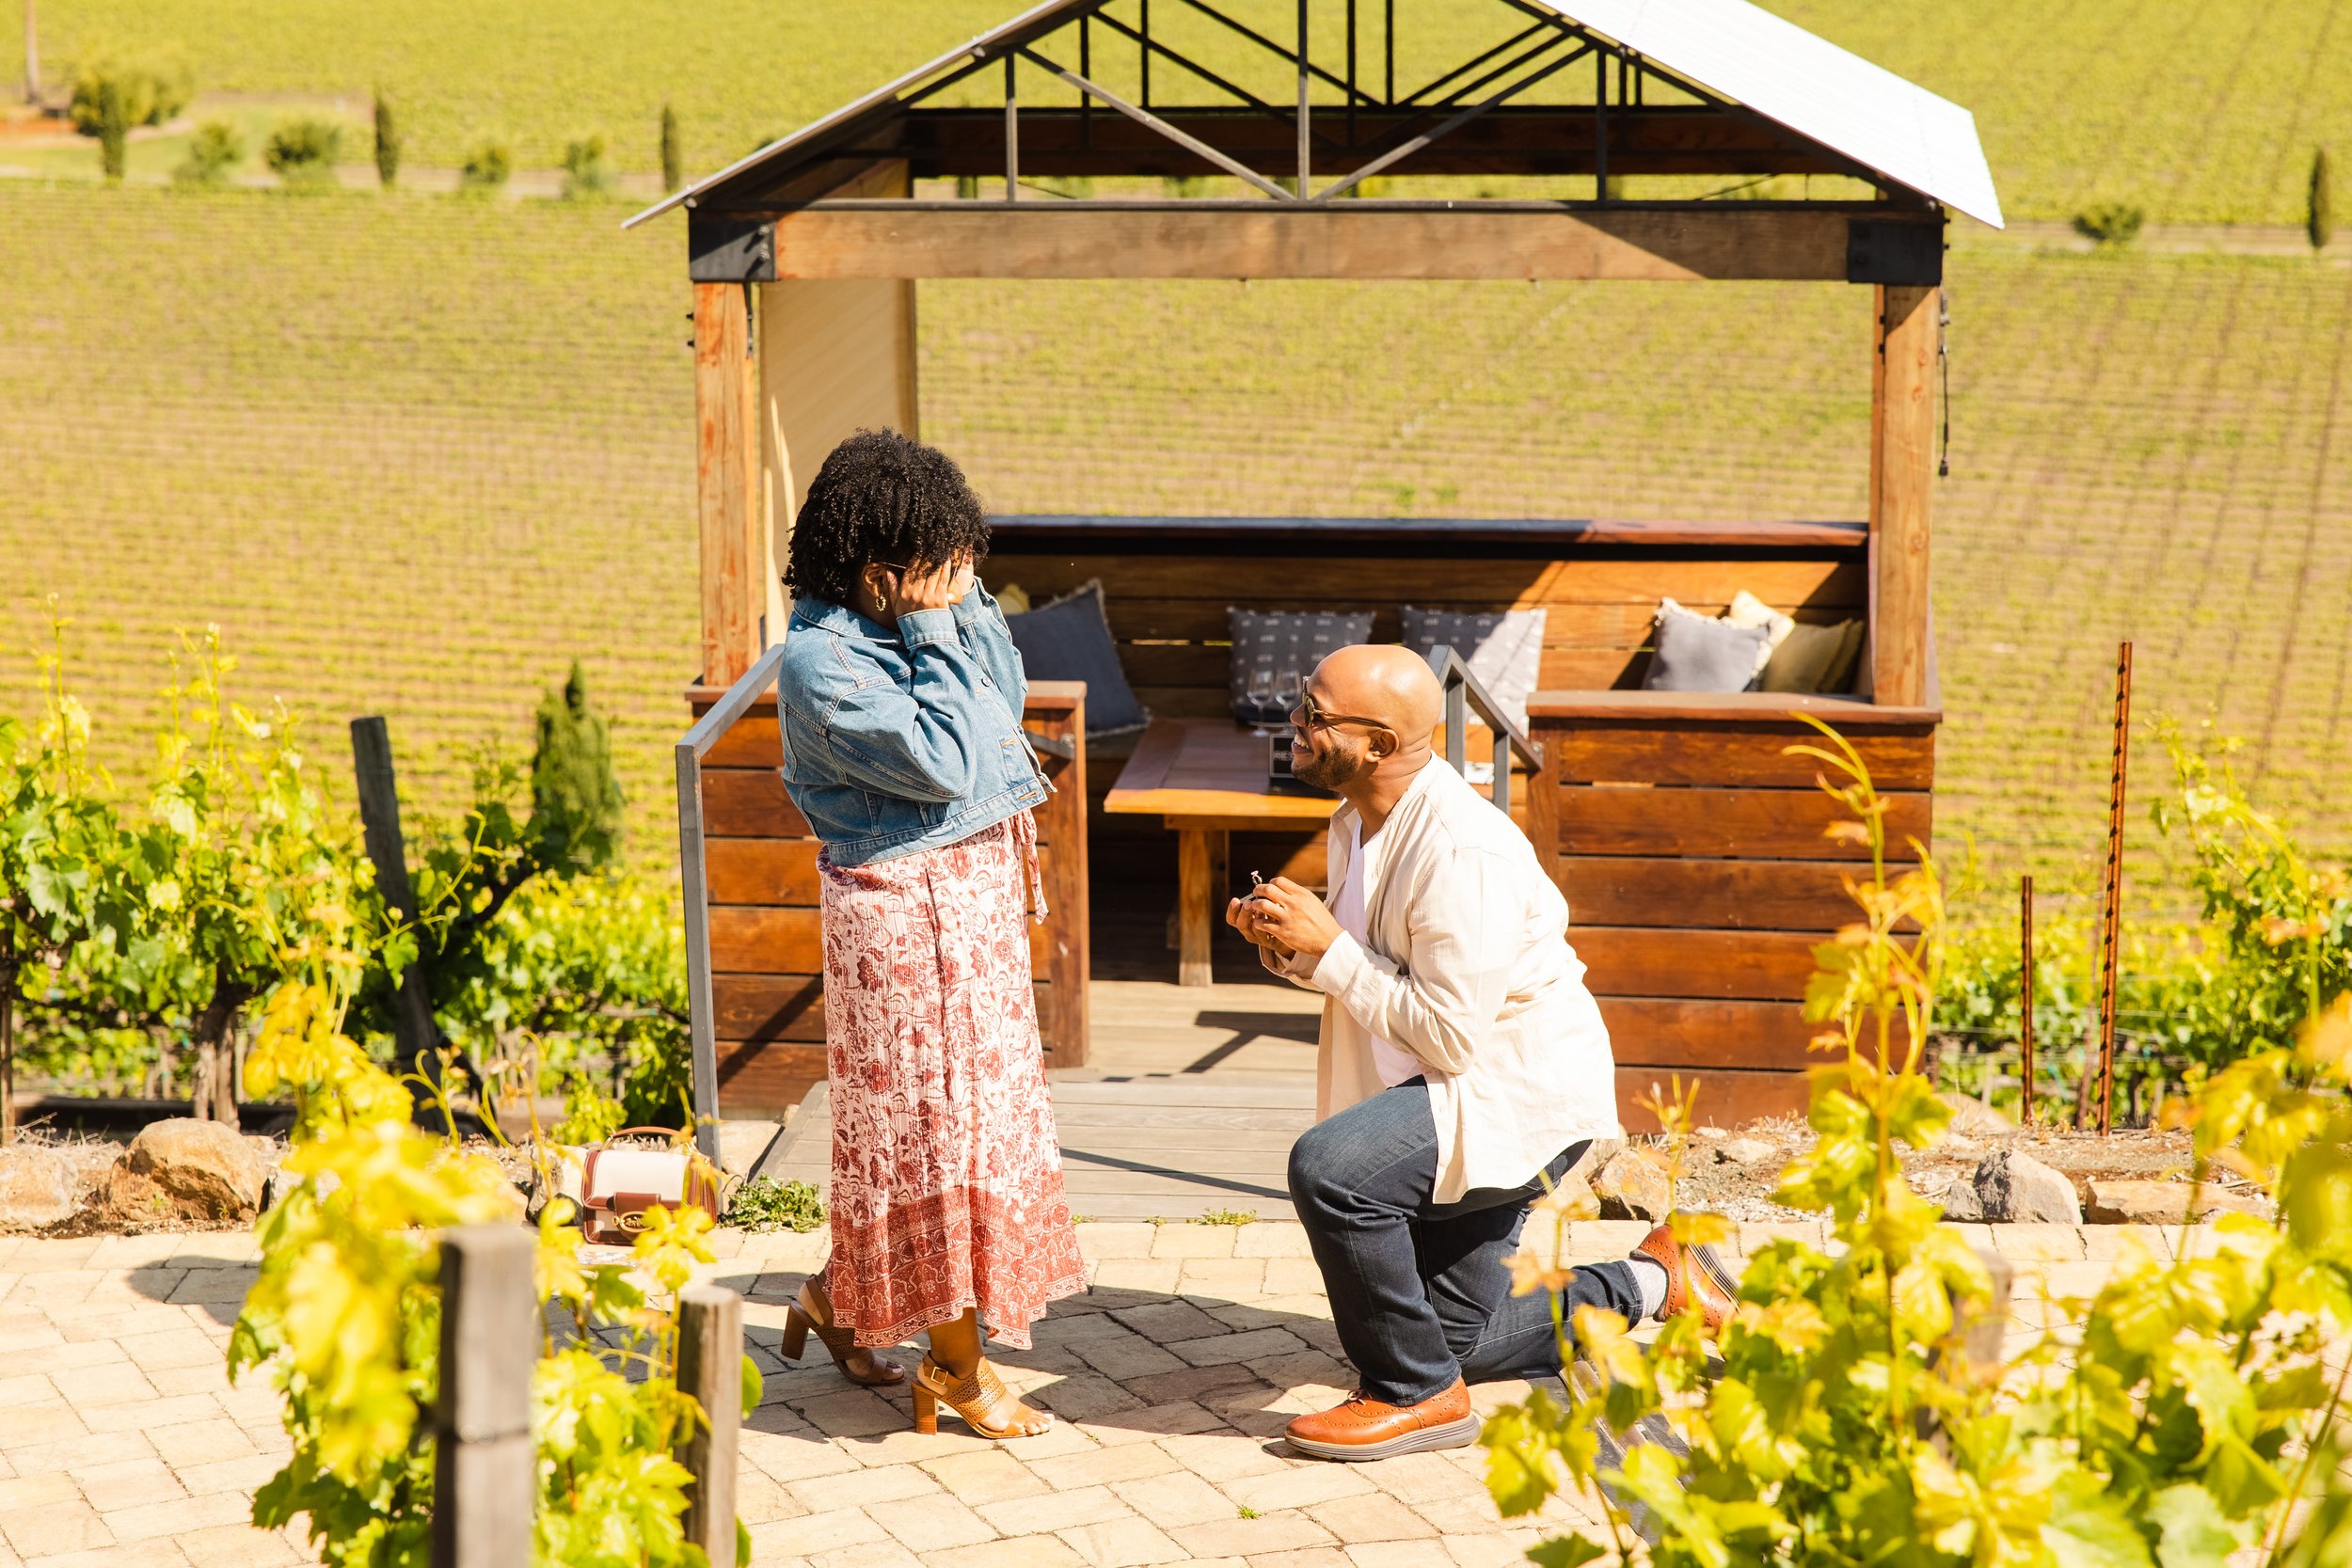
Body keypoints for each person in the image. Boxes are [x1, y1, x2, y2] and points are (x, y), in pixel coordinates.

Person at [1230, 645, 1737, 1463]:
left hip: (1508, 1096)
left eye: (1314, 716)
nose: (1294, 724)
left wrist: (1331, 952)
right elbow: (1371, 964)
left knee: (1332, 1170)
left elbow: (1449, 1033)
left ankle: (1413, 1395)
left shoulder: (1463, 852)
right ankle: (1659, 1278)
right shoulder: (1358, 817)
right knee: (1449, 1338)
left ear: (1381, 746)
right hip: (1441, 1081)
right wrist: (1292, 945)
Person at [771, 428, 1084, 1441]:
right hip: (906, 924)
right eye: (941, 565)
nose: (961, 584)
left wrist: (959, 613)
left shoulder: (919, 615)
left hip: (971, 911)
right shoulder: (821, 665)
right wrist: (937, 628)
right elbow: (951, 757)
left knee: (962, 1131)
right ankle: (954, 1370)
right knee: (926, 1143)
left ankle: (839, 1296)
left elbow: (1002, 693)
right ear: (879, 574)